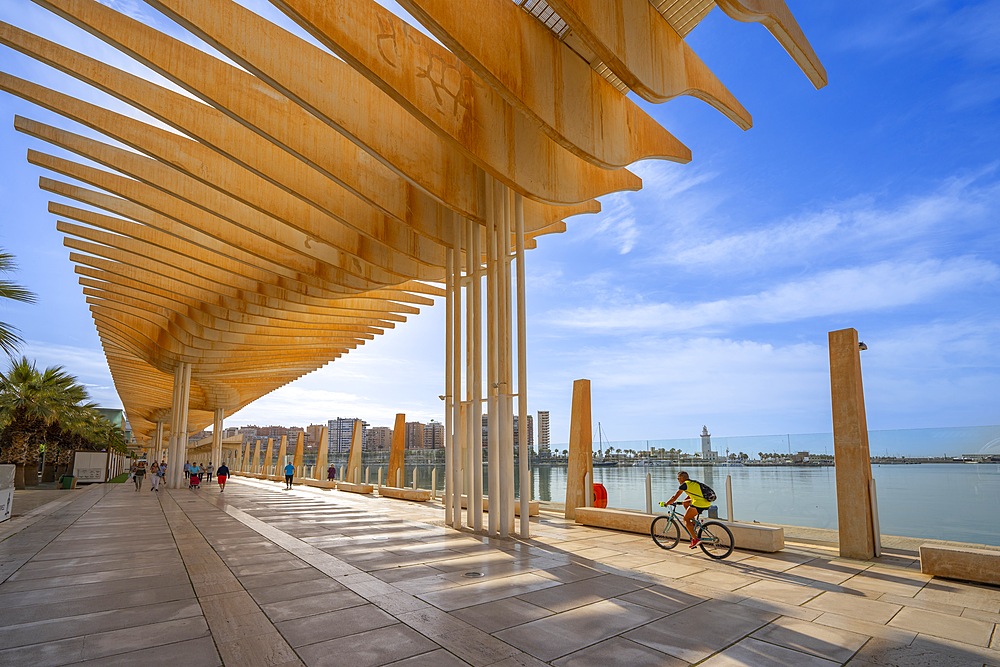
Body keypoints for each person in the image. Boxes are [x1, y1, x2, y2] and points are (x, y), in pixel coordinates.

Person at [662, 471, 712, 548]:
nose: (678, 480)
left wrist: (666, 503)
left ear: (682, 478)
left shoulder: (684, 485)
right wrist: (682, 502)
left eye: (678, 478)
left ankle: (695, 539)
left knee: (685, 519)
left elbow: (674, 497)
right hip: (707, 503)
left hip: (698, 504)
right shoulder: (694, 483)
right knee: (686, 506)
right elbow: (691, 498)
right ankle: (694, 523)